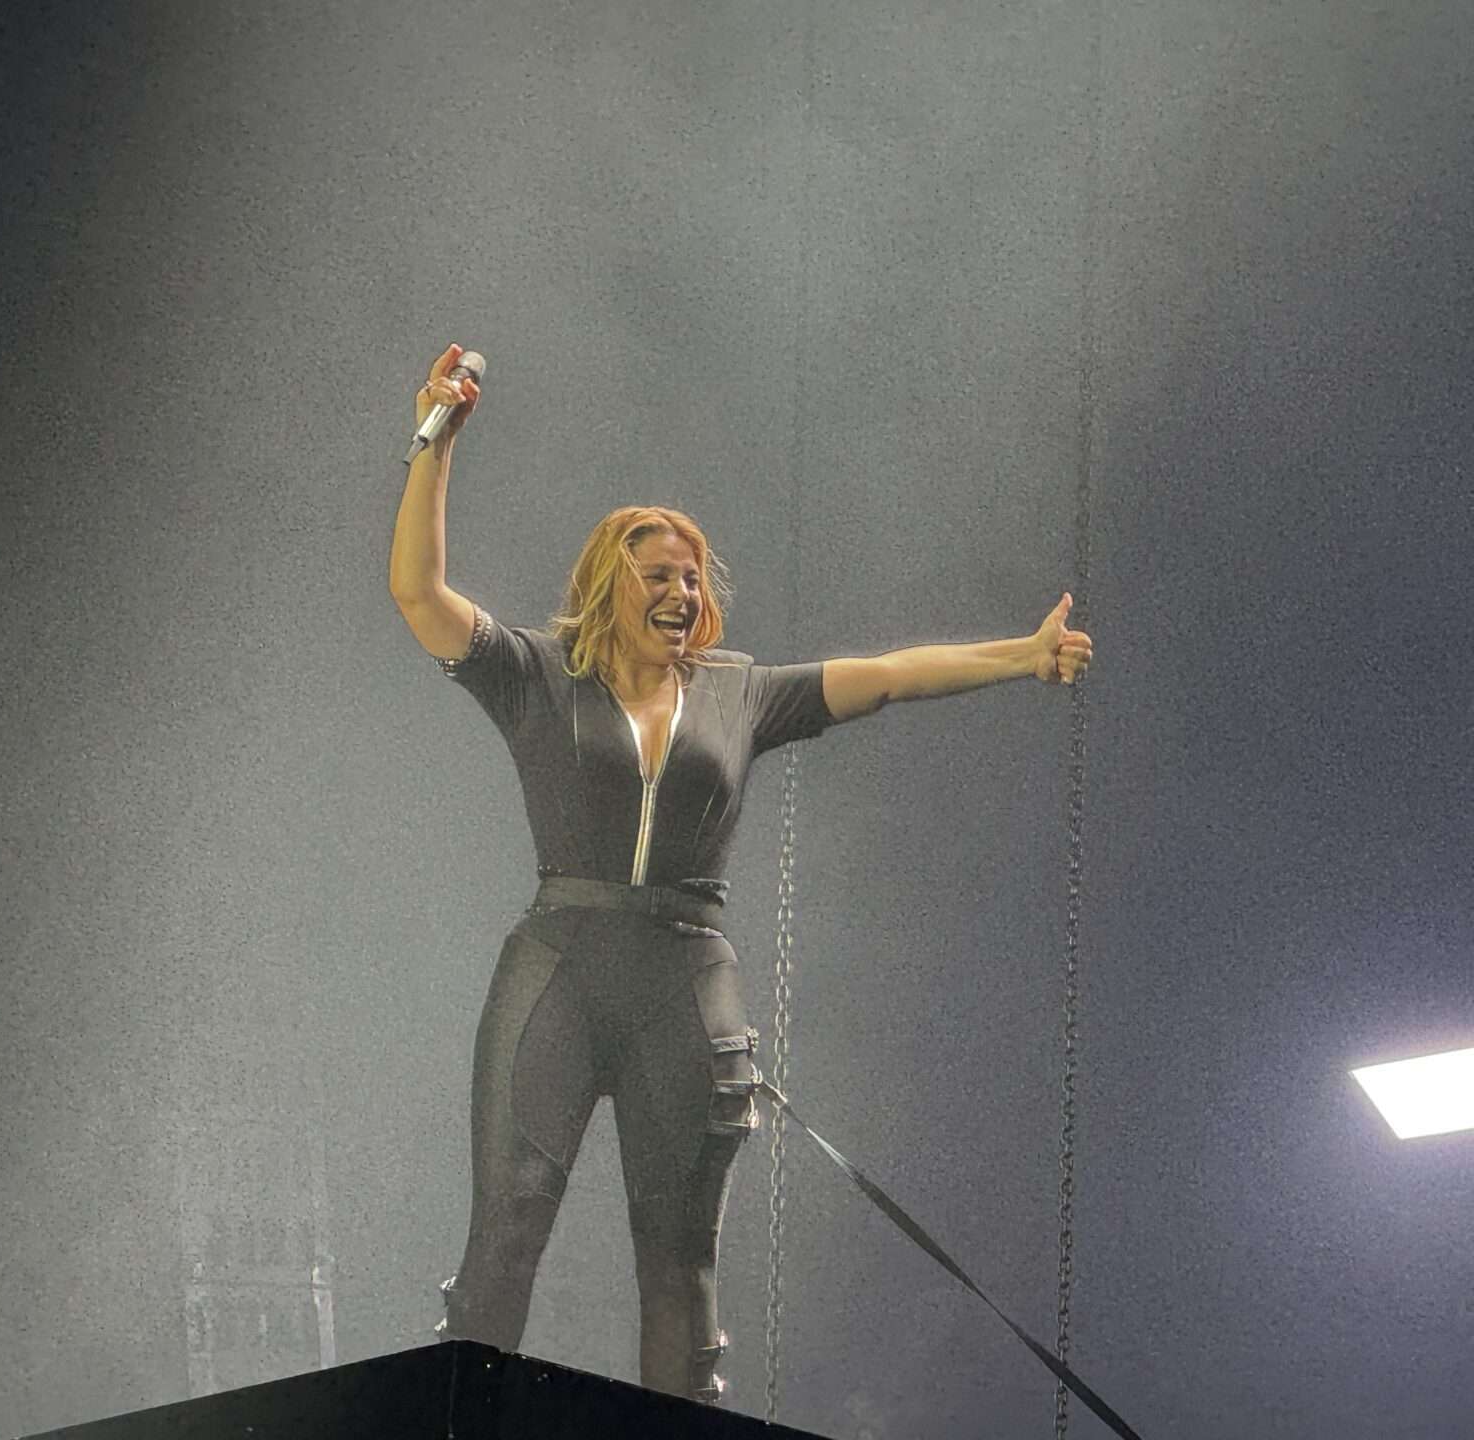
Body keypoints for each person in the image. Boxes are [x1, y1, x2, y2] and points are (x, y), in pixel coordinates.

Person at [388, 342, 1094, 1405]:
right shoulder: (534, 672)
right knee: (510, 1227)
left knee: (681, 1262)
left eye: (691, 577)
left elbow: (891, 677)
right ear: (606, 583)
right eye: (657, 573)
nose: (682, 590)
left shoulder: (740, 694)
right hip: (558, 969)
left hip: (685, 977)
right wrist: (435, 439)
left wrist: (1022, 655)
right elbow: (418, 592)